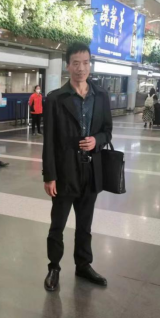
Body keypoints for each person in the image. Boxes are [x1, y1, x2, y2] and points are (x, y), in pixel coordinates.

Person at [42, 42, 113, 292]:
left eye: (85, 63)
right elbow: (49, 140)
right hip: (65, 172)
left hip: (91, 170)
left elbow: (107, 131)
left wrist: (97, 141)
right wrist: (49, 176)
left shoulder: (101, 96)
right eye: (75, 63)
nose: (81, 68)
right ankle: (54, 267)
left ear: (90, 64)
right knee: (58, 225)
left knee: (85, 224)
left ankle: (83, 265)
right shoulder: (55, 98)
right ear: (67, 66)